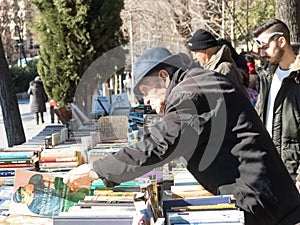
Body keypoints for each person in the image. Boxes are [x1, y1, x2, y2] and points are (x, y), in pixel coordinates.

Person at [64, 47, 300, 225]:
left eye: (146, 91)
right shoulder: (198, 83)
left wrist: (96, 169)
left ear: (165, 77)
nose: (145, 101)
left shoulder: (190, 93)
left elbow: (160, 144)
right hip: (263, 198)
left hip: (261, 204)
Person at [252, 19, 300, 187]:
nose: (262, 53)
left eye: (265, 47)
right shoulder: (266, 75)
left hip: (292, 176)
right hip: (268, 171)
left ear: (281, 41)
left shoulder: (297, 79)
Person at [13, 173, 89, 217]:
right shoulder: (33, 208)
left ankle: (75, 189)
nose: (26, 193)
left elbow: (38, 176)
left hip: (62, 194)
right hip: (64, 207)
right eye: (23, 196)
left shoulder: (35, 186)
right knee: (83, 197)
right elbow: (49, 215)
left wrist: (31, 185)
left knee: (58, 180)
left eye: (24, 189)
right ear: (23, 202)